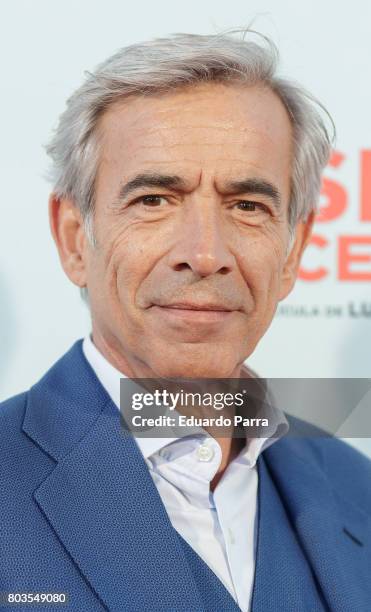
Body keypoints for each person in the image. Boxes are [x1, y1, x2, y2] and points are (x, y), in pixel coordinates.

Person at [1, 31, 370, 612]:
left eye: (247, 206)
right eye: (154, 199)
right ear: (75, 238)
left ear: (293, 251)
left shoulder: (357, 487)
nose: (204, 254)